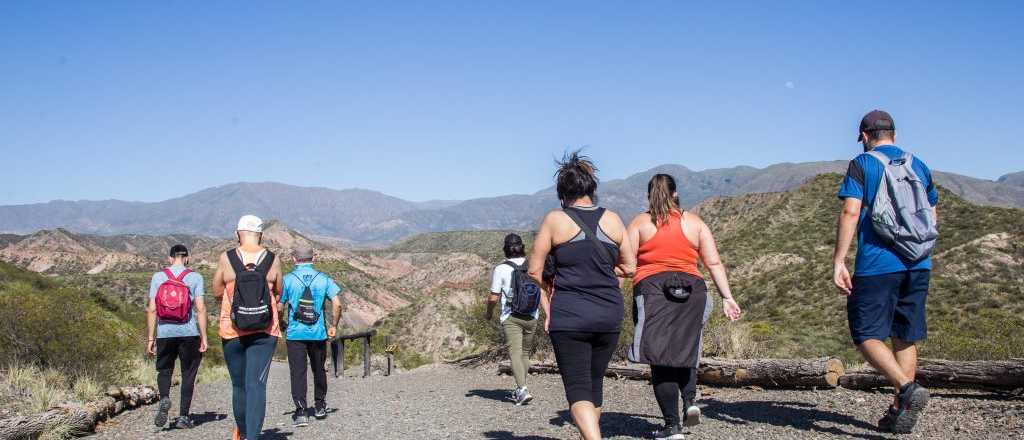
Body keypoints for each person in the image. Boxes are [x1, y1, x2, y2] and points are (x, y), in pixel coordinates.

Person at [833, 110, 937, 434]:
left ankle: (906, 389)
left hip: (878, 265)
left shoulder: (863, 164)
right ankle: (899, 410)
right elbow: (932, 212)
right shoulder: (918, 164)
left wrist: (839, 260)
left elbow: (851, 211)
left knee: (865, 333)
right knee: (904, 335)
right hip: (919, 262)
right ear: (894, 133)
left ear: (864, 136)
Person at [527, 151, 636, 440]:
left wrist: (548, 307)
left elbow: (534, 272)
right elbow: (629, 266)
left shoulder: (555, 220)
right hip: (609, 315)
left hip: (570, 316)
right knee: (594, 384)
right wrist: (606, 281)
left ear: (563, 193)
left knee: (577, 388)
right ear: (591, 188)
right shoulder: (613, 220)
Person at [626, 174, 742, 439]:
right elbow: (713, 263)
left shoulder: (640, 223)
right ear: (675, 194)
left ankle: (671, 427)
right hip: (693, 292)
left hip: (653, 292)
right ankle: (690, 401)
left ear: (648, 196)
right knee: (685, 349)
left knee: (660, 359)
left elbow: (628, 264)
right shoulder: (695, 223)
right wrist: (727, 297)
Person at [213, 215, 283, 440]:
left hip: (232, 330)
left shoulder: (227, 258)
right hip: (264, 331)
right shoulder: (273, 259)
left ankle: (242, 433)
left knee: (239, 385)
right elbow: (279, 291)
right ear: (261, 234)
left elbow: (216, 291)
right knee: (257, 385)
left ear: (237, 234)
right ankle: (252, 436)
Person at [146, 244, 208, 430]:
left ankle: (165, 397)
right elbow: (201, 308)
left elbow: (151, 309)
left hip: (165, 333)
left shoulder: (158, 277)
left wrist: (151, 338)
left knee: (164, 369)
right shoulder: (195, 277)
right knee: (188, 373)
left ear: (170, 258)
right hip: (189, 332)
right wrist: (204, 336)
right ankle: (183, 416)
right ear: (187, 258)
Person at [281, 244, 343, 426]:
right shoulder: (324, 279)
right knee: (318, 369)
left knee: (298, 372)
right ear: (313, 258)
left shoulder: (287, 279)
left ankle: (301, 411)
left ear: (294, 259)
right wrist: (333, 326)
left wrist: (281, 323)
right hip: (318, 333)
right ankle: (320, 405)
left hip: (295, 334)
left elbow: (279, 306)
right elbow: (337, 304)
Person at [486, 233, 540, 406]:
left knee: (515, 353)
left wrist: (489, 313)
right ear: (522, 247)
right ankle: (522, 386)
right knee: (525, 353)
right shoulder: (532, 264)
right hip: (532, 315)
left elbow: (494, 297)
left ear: (506, 249)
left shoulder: (501, 268)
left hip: (512, 317)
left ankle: (522, 389)